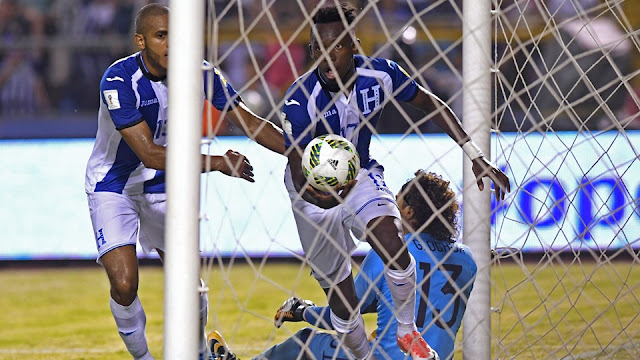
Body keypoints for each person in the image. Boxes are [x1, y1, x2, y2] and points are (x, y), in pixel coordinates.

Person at [280, 3, 509, 360]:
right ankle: (361, 355)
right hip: (311, 194)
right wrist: (322, 196)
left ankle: (407, 332)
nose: (326, 57)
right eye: (318, 48)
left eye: (336, 46)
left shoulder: (381, 75)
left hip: (359, 175)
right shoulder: (300, 99)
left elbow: (432, 104)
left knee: (391, 239)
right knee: (343, 307)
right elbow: (297, 167)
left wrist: (475, 153)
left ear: (354, 45)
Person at [84, 4, 284, 360]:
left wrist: (299, 153)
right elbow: (149, 154)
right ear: (141, 41)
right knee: (125, 284)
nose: (172, 44)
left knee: (191, 288)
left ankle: (199, 354)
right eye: (162, 36)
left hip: (164, 185)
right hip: (114, 186)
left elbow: (250, 123)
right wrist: (218, 162)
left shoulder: (202, 73)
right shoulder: (119, 81)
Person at [207, 170, 477, 360]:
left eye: (397, 201)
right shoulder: (467, 262)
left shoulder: (392, 256)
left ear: (408, 212)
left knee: (307, 342)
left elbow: (346, 314)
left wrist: (302, 311)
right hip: (434, 356)